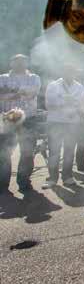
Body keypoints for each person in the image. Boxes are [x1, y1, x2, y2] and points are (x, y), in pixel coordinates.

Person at [0, 54, 41, 193]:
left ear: (27, 63)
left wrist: (8, 91)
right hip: (7, 119)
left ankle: (24, 182)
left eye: (23, 61)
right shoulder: (2, 78)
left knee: (28, 152)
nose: (19, 64)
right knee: (4, 152)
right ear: (11, 63)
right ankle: (2, 184)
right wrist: (19, 92)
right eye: (16, 61)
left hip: (28, 119)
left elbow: (32, 93)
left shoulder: (34, 78)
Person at [44, 65, 84, 189]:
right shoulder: (53, 85)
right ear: (62, 72)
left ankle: (67, 177)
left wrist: (66, 101)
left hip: (72, 123)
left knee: (69, 151)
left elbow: (82, 104)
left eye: (72, 71)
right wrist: (67, 101)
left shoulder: (80, 87)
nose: (70, 74)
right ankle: (52, 178)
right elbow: (49, 104)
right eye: (67, 71)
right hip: (55, 122)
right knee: (54, 151)